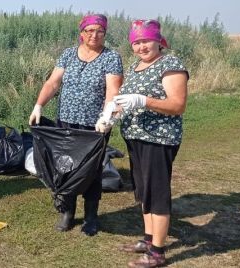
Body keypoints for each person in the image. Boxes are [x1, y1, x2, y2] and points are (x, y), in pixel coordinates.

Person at [28, 14, 123, 236]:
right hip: (66, 122)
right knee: (65, 166)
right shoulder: (69, 54)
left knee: (92, 170)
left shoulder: (111, 57)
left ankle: (91, 217)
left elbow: (113, 90)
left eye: (99, 31)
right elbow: (53, 82)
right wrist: (39, 104)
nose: (94, 35)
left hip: (95, 126)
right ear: (81, 33)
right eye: (89, 30)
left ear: (105, 34)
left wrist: (107, 116)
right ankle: (67, 213)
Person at [114, 19, 188, 268]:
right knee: (143, 190)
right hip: (135, 137)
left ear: (158, 40)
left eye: (145, 40)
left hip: (159, 139)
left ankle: (157, 252)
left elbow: (177, 105)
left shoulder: (170, 64)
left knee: (156, 193)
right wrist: (113, 113)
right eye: (136, 42)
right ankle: (148, 239)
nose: (141, 47)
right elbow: (127, 101)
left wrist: (144, 101)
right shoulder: (135, 66)